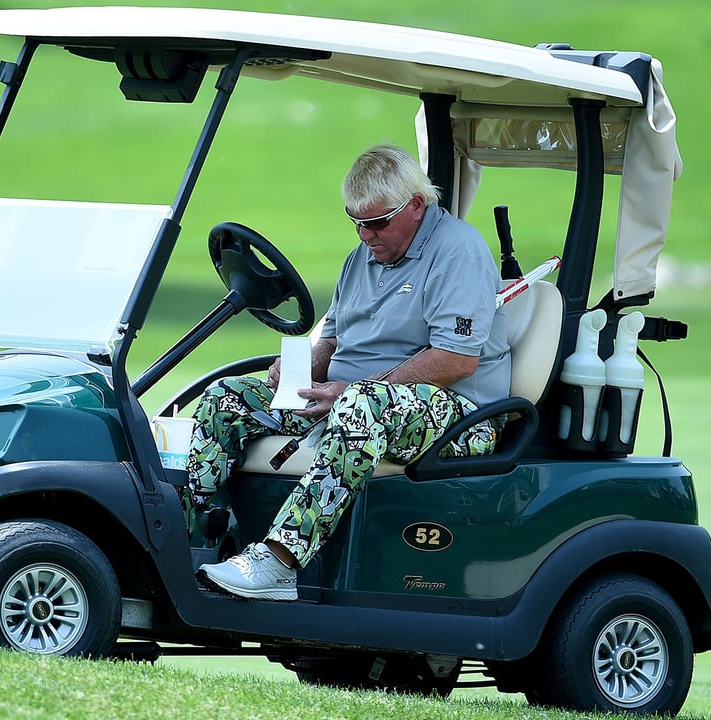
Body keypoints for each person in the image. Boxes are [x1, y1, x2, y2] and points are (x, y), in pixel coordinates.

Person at [185, 143, 510, 601]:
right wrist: (298, 370)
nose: (364, 235)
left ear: (416, 206)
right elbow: (334, 339)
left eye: (376, 223)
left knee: (361, 407)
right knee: (227, 398)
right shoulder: (364, 257)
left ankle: (279, 562)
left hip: (459, 417)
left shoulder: (459, 252)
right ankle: (198, 540)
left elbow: (456, 360)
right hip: (359, 399)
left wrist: (350, 392)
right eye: (355, 222)